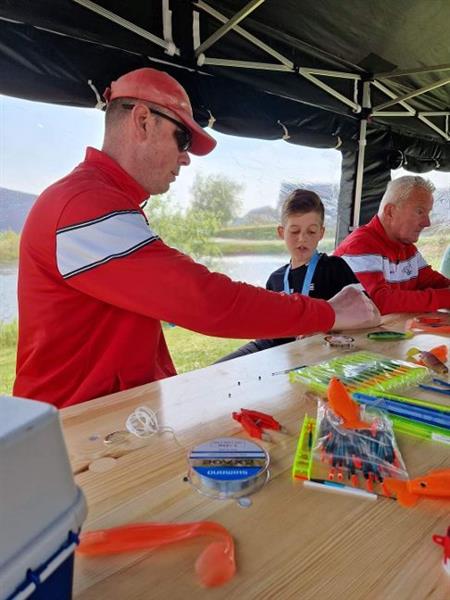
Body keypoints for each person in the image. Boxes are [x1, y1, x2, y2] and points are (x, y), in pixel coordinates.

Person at [13, 67, 380, 409]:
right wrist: (329, 312)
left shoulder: (102, 201)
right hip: (73, 429)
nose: (186, 158)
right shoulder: (83, 205)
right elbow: (204, 300)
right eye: (182, 138)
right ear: (143, 120)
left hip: (108, 416)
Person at [216, 189, 361, 362]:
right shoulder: (275, 279)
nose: (302, 238)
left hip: (317, 353)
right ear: (281, 232)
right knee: (217, 369)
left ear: (321, 233)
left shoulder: (335, 268)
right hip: (274, 350)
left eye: (311, 231)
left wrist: (325, 328)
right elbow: (266, 328)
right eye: (294, 231)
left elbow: (369, 314)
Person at [334, 176, 450, 315]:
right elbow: (377, 303)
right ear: (390, 211)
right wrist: (445, 298)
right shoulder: (360, 245)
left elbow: (434, 282)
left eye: (428, 213)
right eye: (420, 212)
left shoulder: (406, 247)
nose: (427, 223)